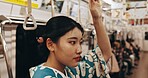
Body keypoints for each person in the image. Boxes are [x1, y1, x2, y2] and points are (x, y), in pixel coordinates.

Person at [29, 0, 112, 78]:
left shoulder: (71, 70)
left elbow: (103, 54)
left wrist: (97, 19)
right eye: (72, 42)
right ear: (50, 44)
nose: (79, 50)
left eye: (80, 42)